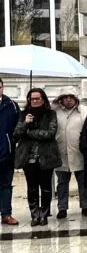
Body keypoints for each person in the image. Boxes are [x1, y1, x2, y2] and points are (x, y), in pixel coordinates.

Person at [14, 88, 60, 226]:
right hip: (28, 158)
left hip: (46, 156)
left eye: (37, 99)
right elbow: (16, 134)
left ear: (43, 99)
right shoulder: (24, 115)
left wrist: (30, 132)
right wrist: (25, 124)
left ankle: (44, 214)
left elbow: (50, 133)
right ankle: (35, 214)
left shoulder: (51, 114)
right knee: (32, 187)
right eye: (31, 99)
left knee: (46, 187)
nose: (34, 101)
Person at [53, 93, 87, 219]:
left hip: (79, 153)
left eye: (71, 97)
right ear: (61, 99)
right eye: (65, 97)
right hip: (61, 153)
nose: (68, 100)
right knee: (62, 183)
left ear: (76, 98)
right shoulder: (55, 112)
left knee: (84, 182)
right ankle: (62, 208)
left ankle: (85, 206)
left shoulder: (84, 111)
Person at [0, 77, 20, 225]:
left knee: (6, 185)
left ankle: (6, 214)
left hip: (6, 153)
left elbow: (18, 129)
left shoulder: (12, 105)